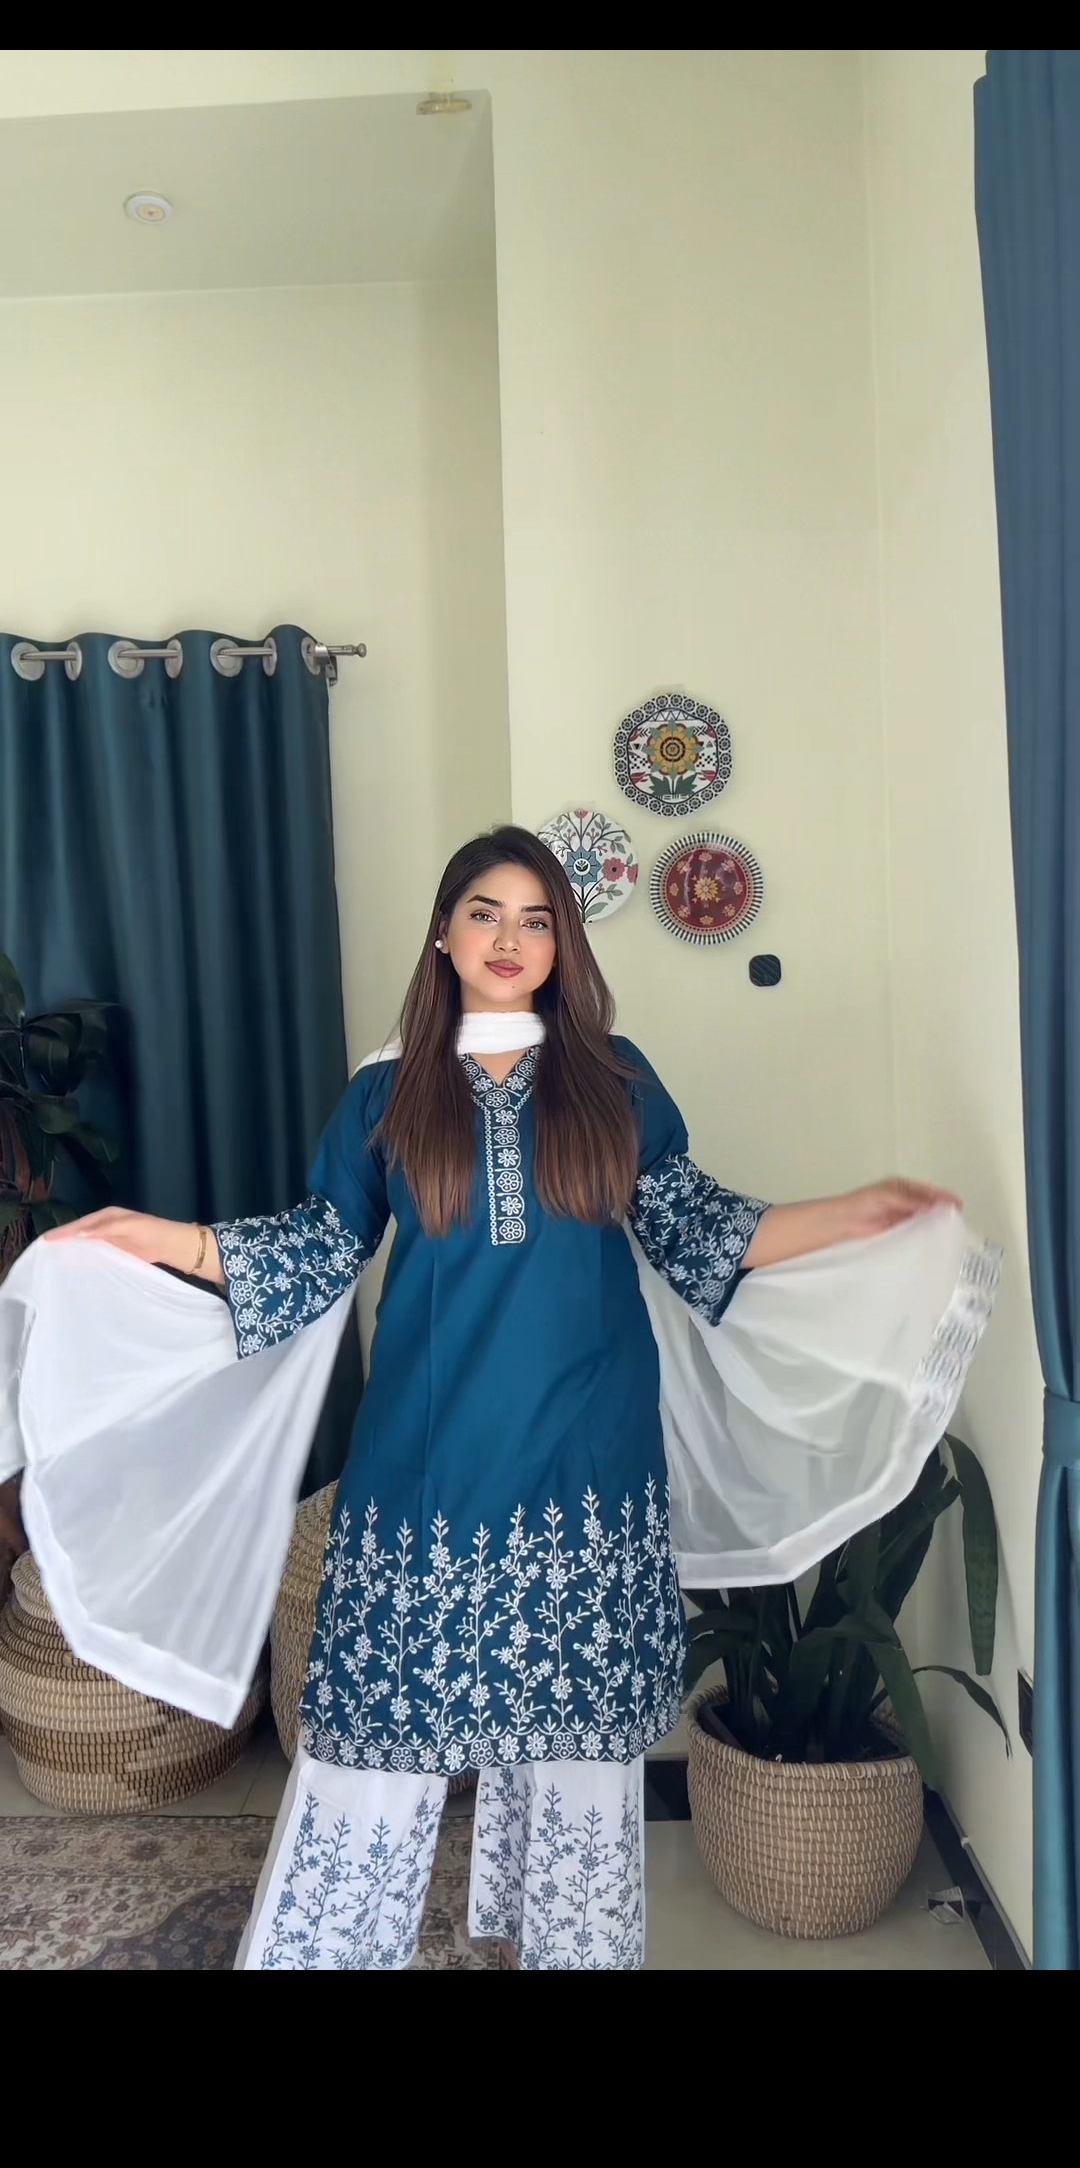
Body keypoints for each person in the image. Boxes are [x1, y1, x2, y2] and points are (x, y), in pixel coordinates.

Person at [49, 824, 959, 1972]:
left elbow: (701, 1230)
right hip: (427, 1464)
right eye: (485, 912)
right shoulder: (385, 1095)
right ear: (444, 933)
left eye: (537, 919)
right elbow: (319, 1248)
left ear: (563, 943)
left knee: (579, 1752)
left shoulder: (615, 1082)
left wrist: (854, 1215)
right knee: (373, 1744)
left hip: (589, 1459)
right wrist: (166, 1241)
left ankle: (571, 1951)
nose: (510, 938)